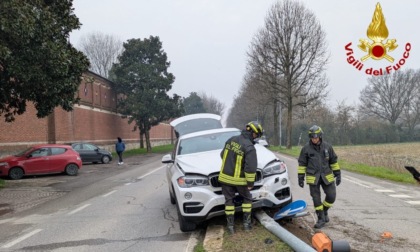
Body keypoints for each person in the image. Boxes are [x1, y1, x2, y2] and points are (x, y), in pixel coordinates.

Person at [218, 121, 263, 234]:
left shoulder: (231, 139)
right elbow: (251, 168)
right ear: (253, 133)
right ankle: (247, 225)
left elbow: (222, 155)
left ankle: (230, 227)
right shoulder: (249, 147)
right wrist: (250, 183)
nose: (256, 138)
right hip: (240, 181)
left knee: (229, 201)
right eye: (257, 135)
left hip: (224, 178)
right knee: (247, 199)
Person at [298, 125, 341, 229]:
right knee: (316, 199)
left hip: (327, 176)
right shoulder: (306, 149)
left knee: (331, 196)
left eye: (316, 137)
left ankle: (324, 211)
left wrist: (338, 174)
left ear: (320, 136)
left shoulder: (328, 147)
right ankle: (321, 218)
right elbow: (302, 164)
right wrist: (300, 177)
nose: (314, 139)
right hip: (313, 177)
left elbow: (333, 161)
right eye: (312, 137)